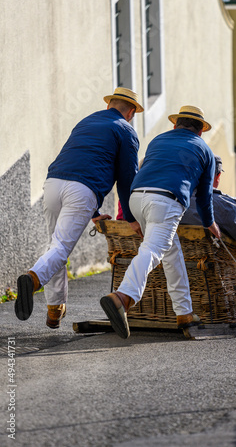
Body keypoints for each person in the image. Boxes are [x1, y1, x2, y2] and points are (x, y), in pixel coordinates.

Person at [15, 87, 144, 328]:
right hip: (83, 189)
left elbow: (79, 158)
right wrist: (131, 218)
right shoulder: (126, 131)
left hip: (53, 183)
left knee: (55, 245)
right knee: (61, 247)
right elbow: (127, 179)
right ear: (132, 112)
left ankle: (55, 309)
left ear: (109, 106)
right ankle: (32, 279)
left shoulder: (86, 121)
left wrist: (94, 215)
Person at [100, 105, 221, 339]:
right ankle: (122, 296)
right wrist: (210, 223)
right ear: (200, 132)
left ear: (175, 125)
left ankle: (184, 313)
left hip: (137, 198)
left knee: (170, 251)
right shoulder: (204, 150)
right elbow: (205, 196)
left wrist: (129, 215)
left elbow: (139, 170)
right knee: (154, 249)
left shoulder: (158, 140)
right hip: (165, 201)